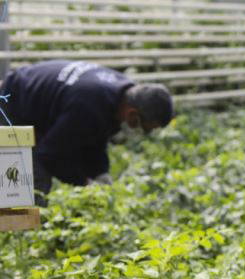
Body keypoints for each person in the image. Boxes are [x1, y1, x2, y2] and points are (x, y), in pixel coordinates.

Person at [0, 60, 173, 205]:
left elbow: (94, 138)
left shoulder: (120, 94)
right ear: (132, 114)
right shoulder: (89, 105)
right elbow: (50, 156)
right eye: (141, 127)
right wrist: (84, 182)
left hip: (33, 103)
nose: (138, 132)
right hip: (10, 102)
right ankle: (19, 235)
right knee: (31, 181)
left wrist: (100, 173)